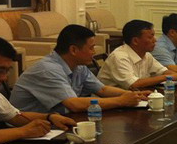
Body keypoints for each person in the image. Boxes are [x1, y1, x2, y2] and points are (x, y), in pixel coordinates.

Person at [0, 35, 76, 144]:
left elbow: (15, 116)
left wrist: (49, 117)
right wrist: (23, 132)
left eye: (7, 71)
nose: (4, 78)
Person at [10, 25, 149, 114]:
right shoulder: (48, 70)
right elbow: (74, 104)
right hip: (27, 130)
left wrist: (134, 95)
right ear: (73, 50)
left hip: (55, 123)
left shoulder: (79, 66)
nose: (94, 52)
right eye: (91, 48)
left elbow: (102, 90)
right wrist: (121, 101)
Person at [98, 20, 177, 89]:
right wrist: (169, 77)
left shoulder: (146, 55)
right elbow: (133, 84)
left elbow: (162, 71)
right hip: (110, 103)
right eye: (150, 37)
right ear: (135, 41)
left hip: (135, 98)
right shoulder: (119, 57)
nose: (155, 40)